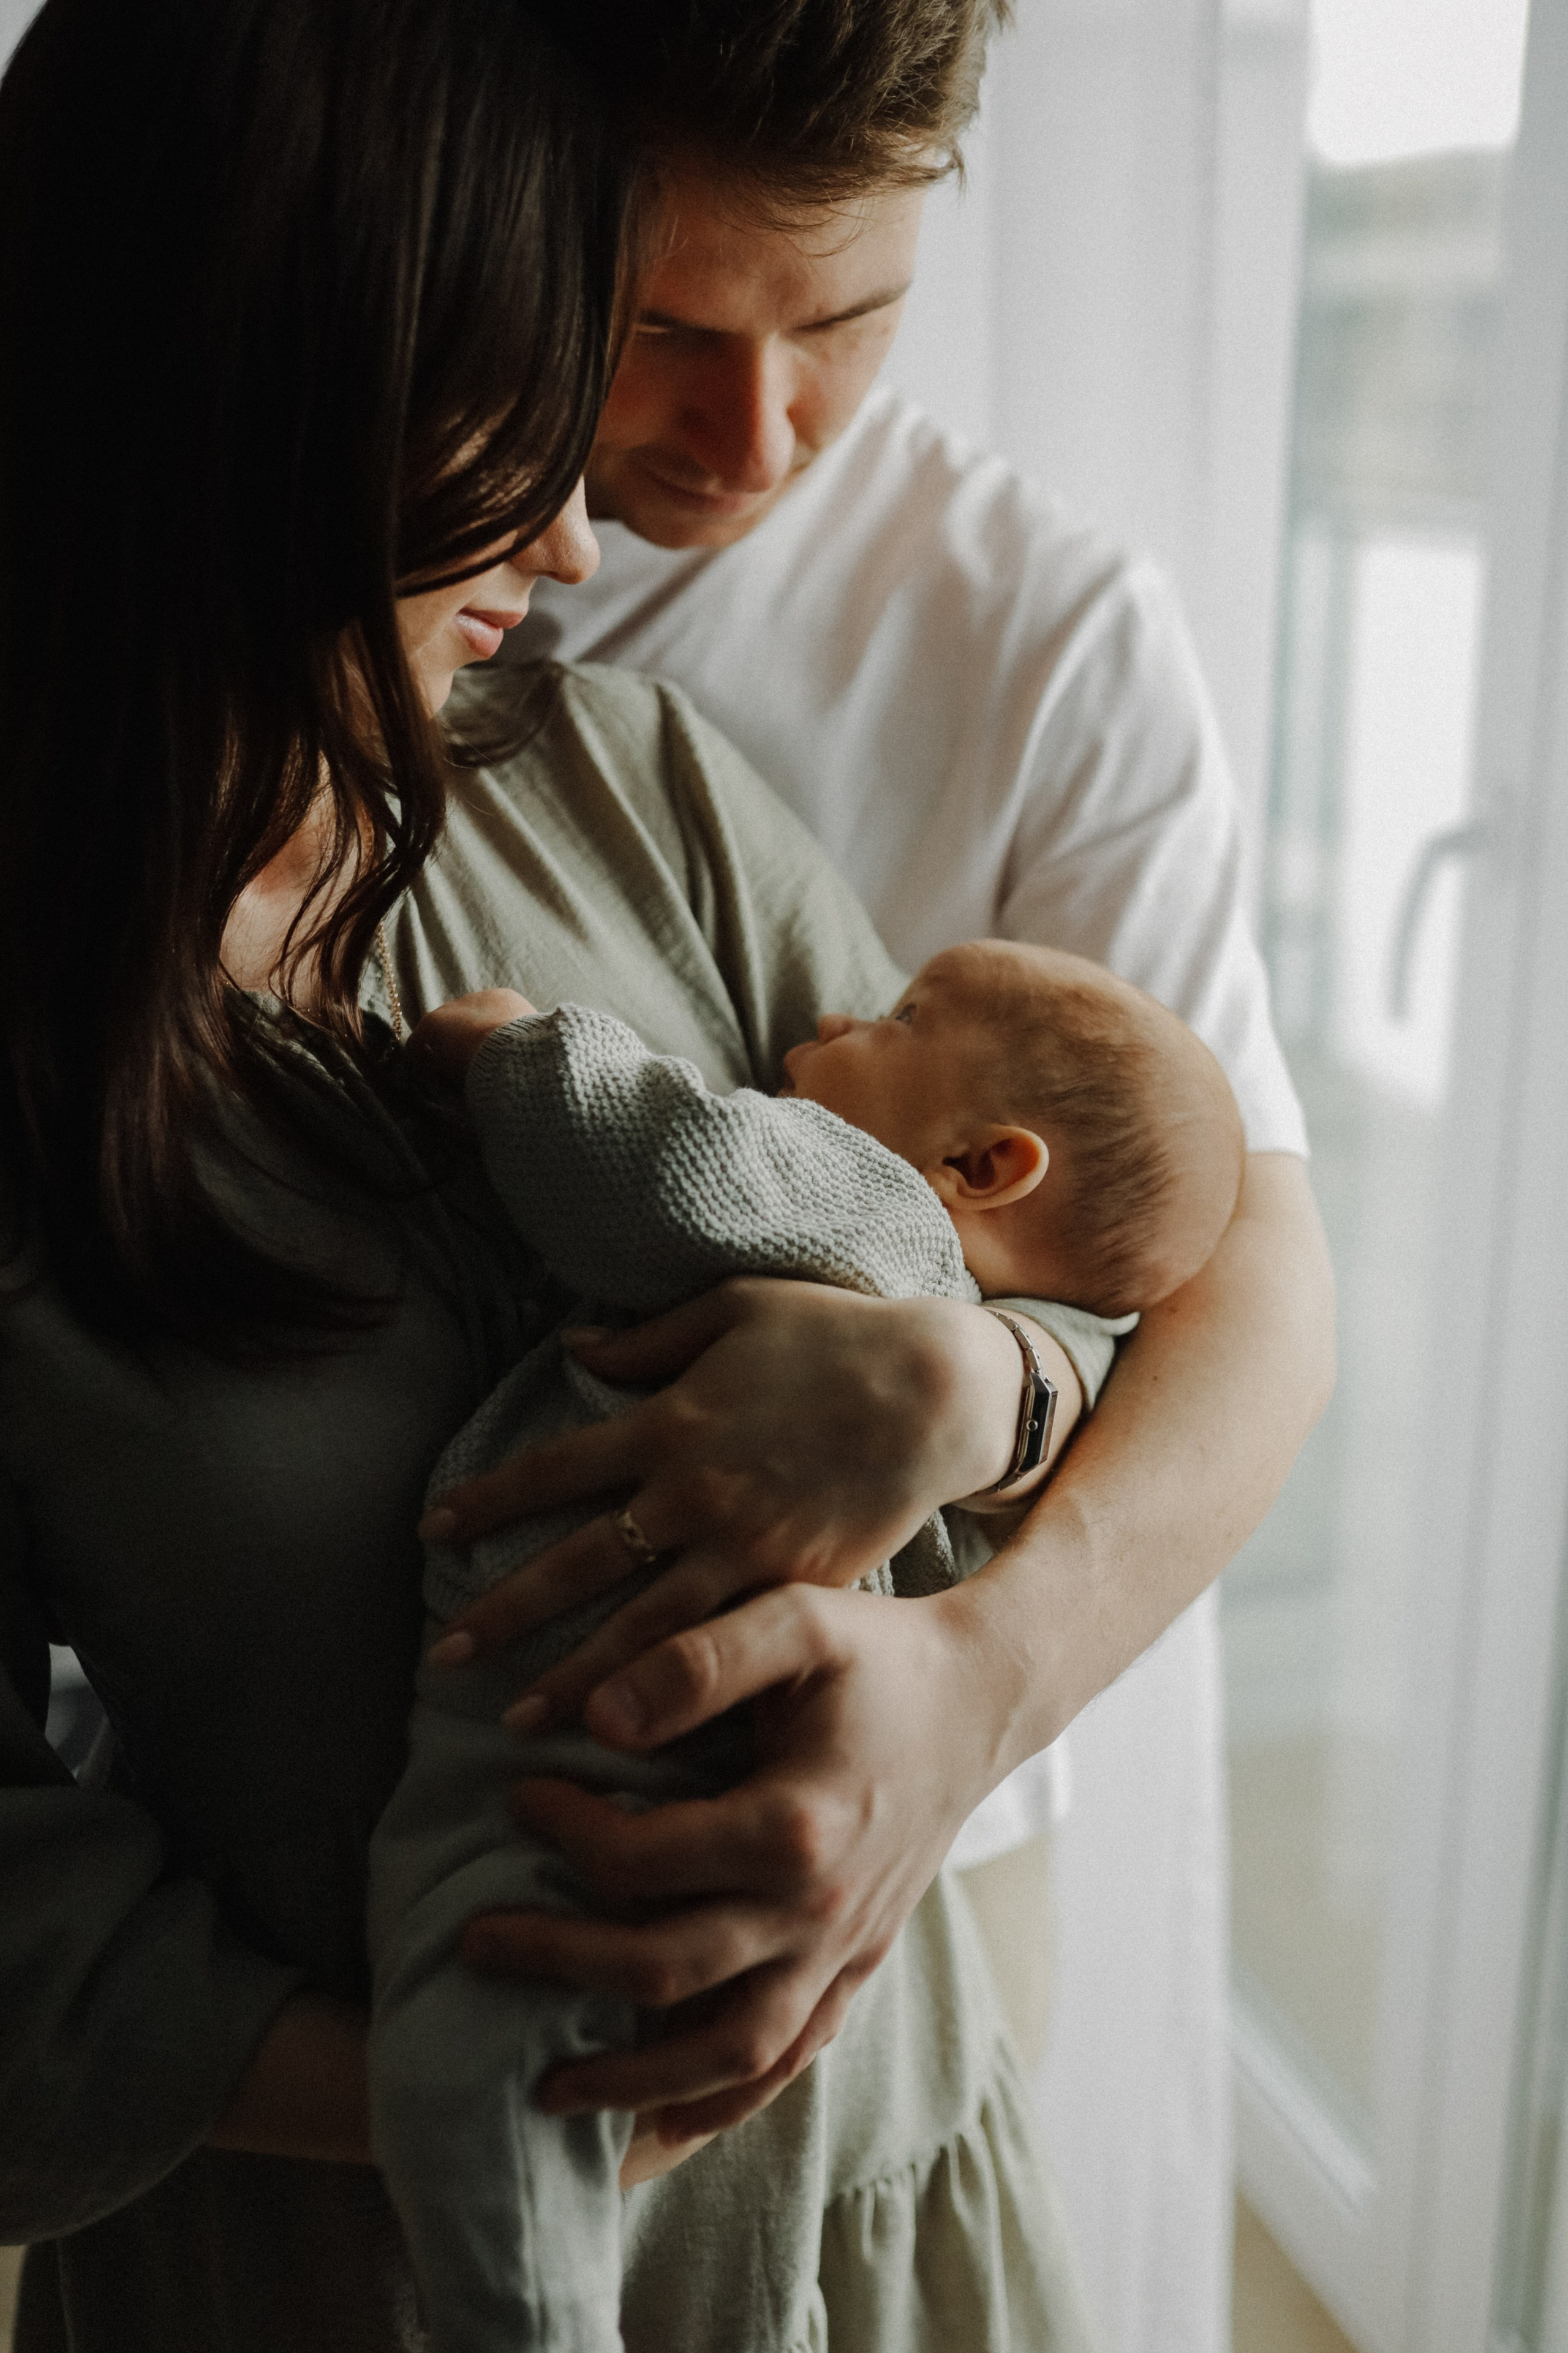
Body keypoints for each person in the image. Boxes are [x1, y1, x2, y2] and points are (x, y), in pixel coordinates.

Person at [0, 3, 1110, 2346]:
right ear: (260, 392)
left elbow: (1070, 1280)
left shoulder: (637, 790)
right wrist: (492, 2090)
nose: (581, 532)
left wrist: (971, 1396)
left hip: (884, 2223)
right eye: (509, 421)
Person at [390, 2, 1333, 2330]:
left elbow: (1261, 1283)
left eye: (848, 322)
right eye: (665, 328)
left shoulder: (1044, 638)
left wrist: (976, 1611)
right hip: (433, 1806)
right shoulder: (359, 575)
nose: (756, 435)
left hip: (916, 1839)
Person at [365, 940, 1243, 2353]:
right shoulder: (977, 1347)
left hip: (599, 1744)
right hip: (719, 1766)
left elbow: (654, 1167)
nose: (835, 1013)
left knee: (483, 2081)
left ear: (982, 1166)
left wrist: (513, 1050)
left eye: (897, 1019)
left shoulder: (868, 1210)